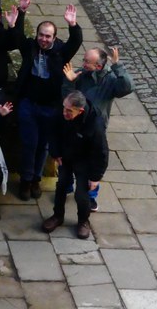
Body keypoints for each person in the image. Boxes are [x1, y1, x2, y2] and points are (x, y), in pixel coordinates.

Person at [15, 0, 82, 201]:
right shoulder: (30, 47)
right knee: (29, 143)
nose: (43, 39)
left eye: (48, 36)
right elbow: (17, 36)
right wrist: (21, 12)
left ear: (54, 37)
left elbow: (76, 42)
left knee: (43, 145)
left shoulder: (61, 51)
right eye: (41, 35)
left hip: (50, 107)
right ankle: (26, 179)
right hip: (29, 104)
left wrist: (73, 25)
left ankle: (36, 178)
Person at [62, 46, 133, 210]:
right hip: (75, 124)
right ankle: (66, 185)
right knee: (68, 157)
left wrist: (118, 66)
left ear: (98, 66)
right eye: (84, 60)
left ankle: (91, 195)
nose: (83, 64)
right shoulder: (80, 74)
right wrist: (69, 81)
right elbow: (66, 98)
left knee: (92, 161)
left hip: (95, 128)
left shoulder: (110, 80)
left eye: (87, 61)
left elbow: (127, 87)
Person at [42, 91, 108, 240]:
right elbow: (52, 132)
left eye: (69, 111)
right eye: (64, 108)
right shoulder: (62, 112)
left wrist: (96, 177)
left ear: (80, 111)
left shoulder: (95, 123)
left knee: (81, 194)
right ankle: (57, 216)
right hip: (66, 156)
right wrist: (55, 152)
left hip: (84, 161)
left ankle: (83, 221)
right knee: (61, 185)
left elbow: (101, 151)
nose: (64, 112)